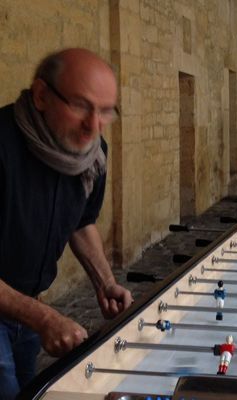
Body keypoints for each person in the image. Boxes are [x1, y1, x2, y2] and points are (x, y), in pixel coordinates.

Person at [0, 48, 133, 398]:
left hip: (25, 304)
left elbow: (80, 221)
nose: (93, 125)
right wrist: (44, 318)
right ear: (42, 95)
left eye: (105, 111)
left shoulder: (91, 154)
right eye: (80, 106)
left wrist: (104, 282)